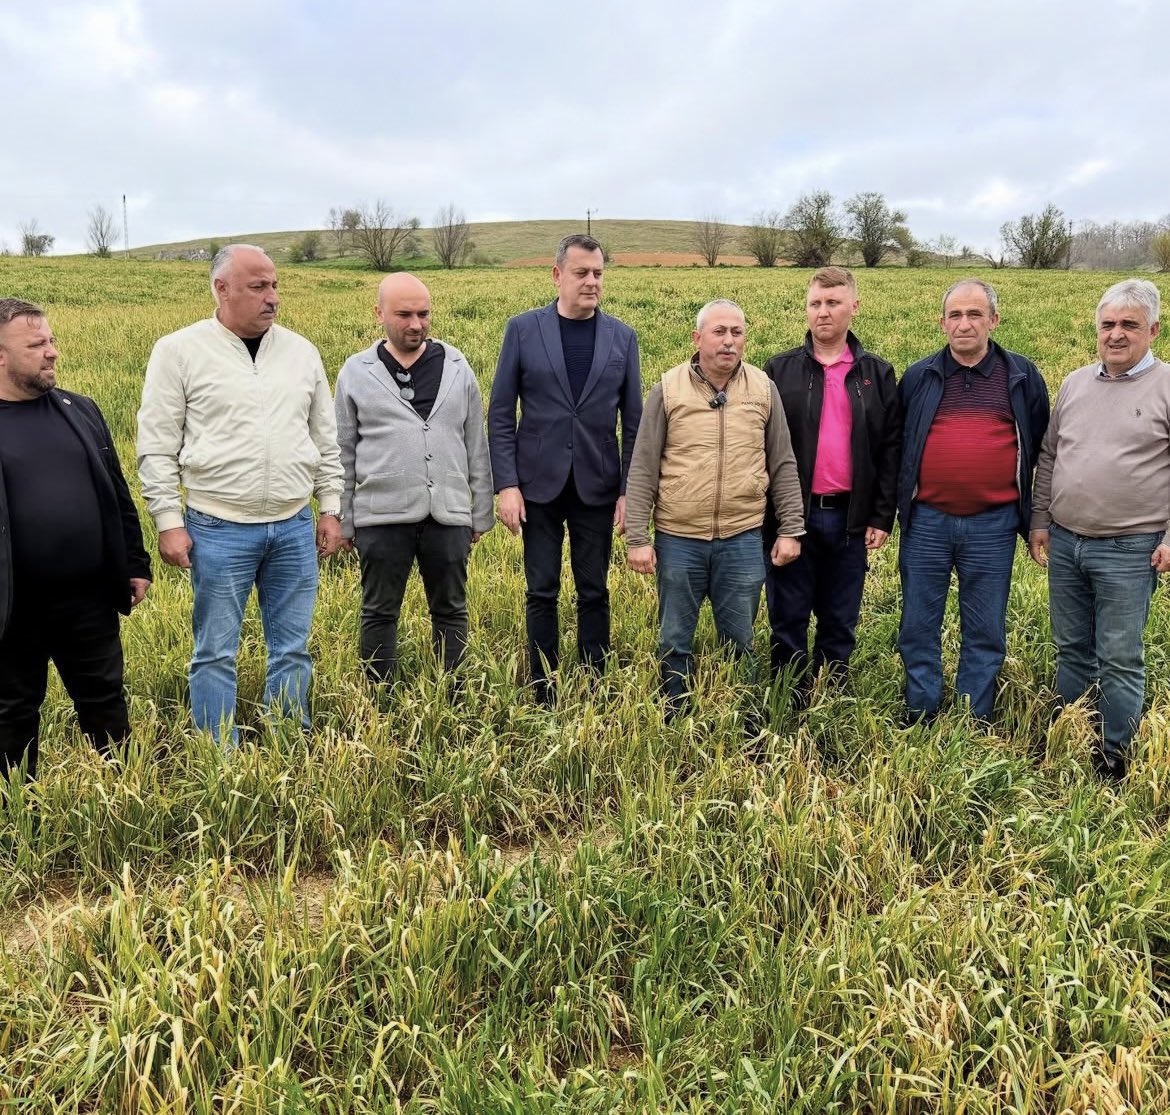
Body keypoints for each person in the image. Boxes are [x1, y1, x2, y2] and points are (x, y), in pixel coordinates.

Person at [137, 245, 344, 744]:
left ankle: (288, 739)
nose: (272, 297)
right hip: (217, 527)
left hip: (293, 524)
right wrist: (168, 521)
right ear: (221, 289)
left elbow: (325, 438)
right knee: (214, 651)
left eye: (274, 285)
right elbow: (157, 444)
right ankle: (218, 752)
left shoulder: (301, 352)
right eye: (258, 287)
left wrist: (330, 507)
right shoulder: (179, 351)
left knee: (292, 648)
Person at [624, 300, 804, 714]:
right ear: (697, 338)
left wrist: (791, 528)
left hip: (742, 537)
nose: (728, 341)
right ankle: (675, 713)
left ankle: (739, 714)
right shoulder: (669, 388)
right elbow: (643, 464)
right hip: (679, 538)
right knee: (675, 639)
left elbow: (782, 461)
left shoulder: (763, 389)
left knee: (740, 639)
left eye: (736, 332)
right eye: (719, 332)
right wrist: (637, 537)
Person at [488, 233, 642, 703]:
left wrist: (628, 492)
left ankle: (595, 685)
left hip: (598, 484)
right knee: (542, 590)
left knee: (594, 589)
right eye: (581, 273)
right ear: (557, 275)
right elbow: (501, 412)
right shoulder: (522, 329)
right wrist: (507, 484)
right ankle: (544, 687)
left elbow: (634, 422)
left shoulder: (622, 337)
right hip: (538, 485)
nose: (592, 281)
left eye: (598, 273)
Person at [0, 299, 151, 779]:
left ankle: (125, 795)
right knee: (12, 713)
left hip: (89, 599)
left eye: (51, 340)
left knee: (105, 702)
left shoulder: (79, 409)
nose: (52, 352)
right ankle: (19, 807)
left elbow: (116, 492)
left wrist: (135, 561)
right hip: (11, 607)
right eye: (36, 345)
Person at [1029, 279, 1168, 781]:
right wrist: (1040, 519)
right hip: (1067, 540)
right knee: (1071, 648)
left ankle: (1113, 754)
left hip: (1131, 548)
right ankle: (1074, 735)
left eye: (1129, 324)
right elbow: (1050, 456)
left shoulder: (1166, 385)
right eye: (1108, 324)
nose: (1116, 334)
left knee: (1119, 655)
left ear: (1153, 330)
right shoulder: (1075, 383)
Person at [897, 278, 1049, 724]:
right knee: (918, 624)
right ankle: (921, 709)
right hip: (927, 521)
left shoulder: (1022, 377)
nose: (965, 324)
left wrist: (1036, 518)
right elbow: (899, 445)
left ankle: (972, 717)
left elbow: (1040, 445)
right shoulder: (918, 376)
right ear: (942, 322)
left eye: (975, 314)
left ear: (994, 320)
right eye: (956, 315)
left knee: (985, 628)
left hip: (993, 524)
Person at [335, 273, 494, 682]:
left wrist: (480, 511)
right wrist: (344, 519)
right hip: (380, 516)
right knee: (379, 611)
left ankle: (451, 694)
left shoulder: (457, 366)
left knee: (451, 610)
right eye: (404, 315)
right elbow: (343, 452)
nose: (416, 324)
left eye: (423, 314)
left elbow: (476, 443)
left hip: (448, 514)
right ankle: (381, 700)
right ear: (379, 314)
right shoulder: (356, 371)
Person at [762, 266, 901, 688]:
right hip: (793, 517)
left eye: (833, 303)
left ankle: (831, 694)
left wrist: (881, 515)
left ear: (854, 307)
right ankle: (788, 697)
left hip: (849, 519)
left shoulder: (877, 374)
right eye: (815, 303)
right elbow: (761, 446)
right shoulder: (779, 370)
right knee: (788, 617)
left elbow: (890, 449)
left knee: (840, 619)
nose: (822, 312)